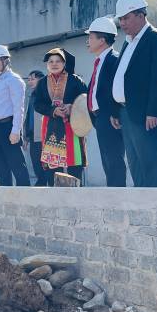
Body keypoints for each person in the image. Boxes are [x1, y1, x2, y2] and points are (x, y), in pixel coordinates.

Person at [111, 0, 157, 187]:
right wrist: (116, 110)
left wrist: (153, 111)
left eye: (126, 18)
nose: (122, 23)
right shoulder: (127, 42)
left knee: (150, 163)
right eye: (120, 19)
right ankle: (141, 207)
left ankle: (155, 206)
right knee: (134, 164)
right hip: (125, 112)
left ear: (141, 15)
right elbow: (122, 77)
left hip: (145, 113)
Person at [33, 48, 88, 184]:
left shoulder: (75, 80)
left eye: (58, 61)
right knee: (53, 168)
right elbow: (37, 104)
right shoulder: (42, 82)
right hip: (51, 127)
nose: (54, 64)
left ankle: (76, 198)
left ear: (64, 63)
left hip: (72, 126)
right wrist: (53, 110)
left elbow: (85, 99)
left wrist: (72, 107)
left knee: (74, 165)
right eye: (51, 61)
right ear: (47, 65)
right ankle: (54, 199)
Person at [85, 17, 126, 187]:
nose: (87, 41)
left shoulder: (113, 59)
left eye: (91, 37)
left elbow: (117, 90)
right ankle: (112, 196)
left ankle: (117, 196)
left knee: (114, 159)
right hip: (100, 118)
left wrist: (113, 113)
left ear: (102, 40)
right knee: (107, 161)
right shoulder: (100, 60)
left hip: (110, 117)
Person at [0, 45, 31, 186]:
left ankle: (27, 200)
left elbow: (19, 108)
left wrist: (16, 131)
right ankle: (7, 202)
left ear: (5, 60)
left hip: (9, 126)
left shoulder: (14, 80)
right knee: (1, 168)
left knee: (17, 166)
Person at [23, 69, 43, 184]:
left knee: (44, 165)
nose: (29, 82)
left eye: (32, 79)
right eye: (29, 79)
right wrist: (26, 137)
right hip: (33, 137)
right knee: (36, 164)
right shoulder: (32, 96)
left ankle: (42, 185)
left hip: (43, 137)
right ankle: (41, 183)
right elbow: (28, 117)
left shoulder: (45, 95)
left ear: (40, 79)